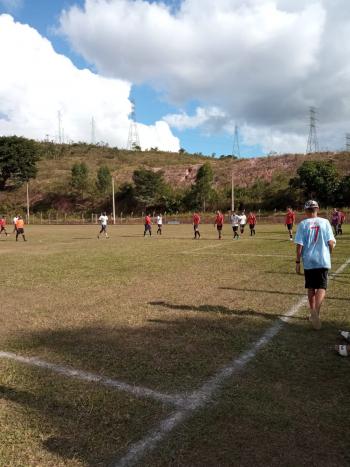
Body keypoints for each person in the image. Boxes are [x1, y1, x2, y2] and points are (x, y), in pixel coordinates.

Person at [294, 200, 335, 330]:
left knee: (311, 286)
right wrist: (328, 254)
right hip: (322, 258)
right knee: (322, 286)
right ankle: (316, 311)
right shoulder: (325, 222)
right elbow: (330, 242)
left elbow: (299, 244)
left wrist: (297, 261)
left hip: (309, 260)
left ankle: (312, 311)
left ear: (306, 211)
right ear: (318, 209)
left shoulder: (303, 224)